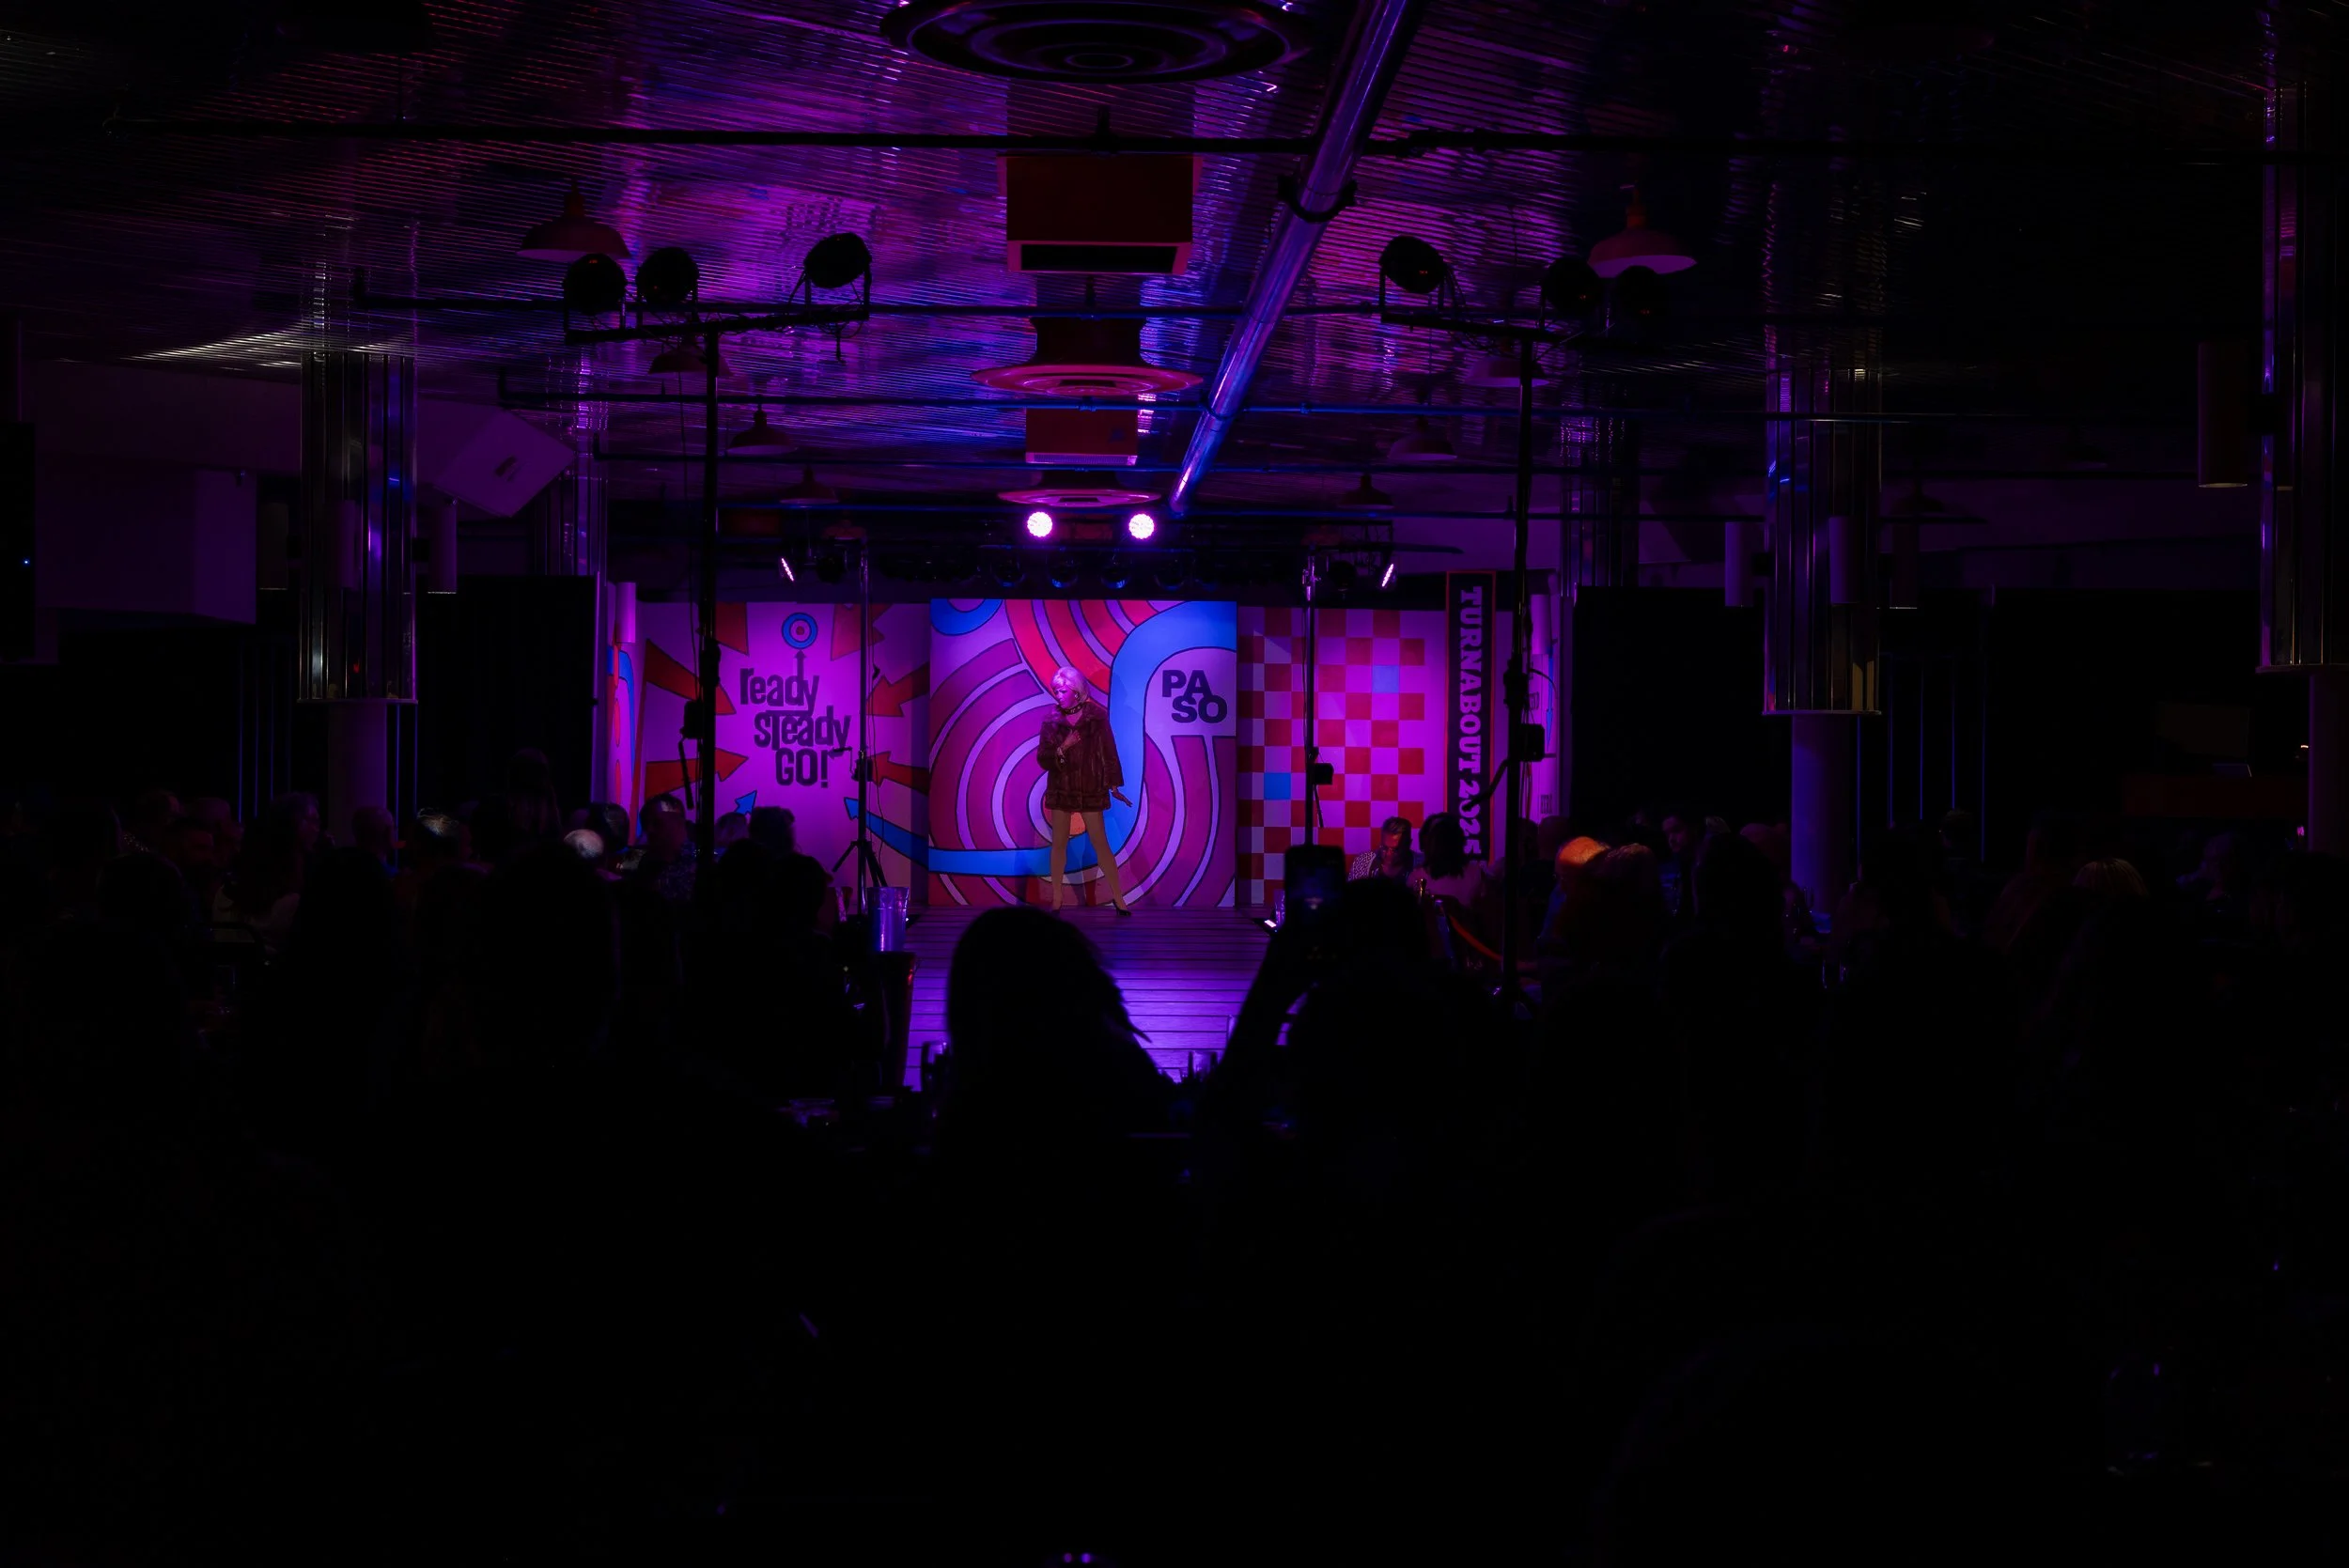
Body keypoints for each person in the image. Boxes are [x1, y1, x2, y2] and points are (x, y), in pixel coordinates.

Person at [1037, 664, 1134, 914]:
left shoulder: (1096, 717)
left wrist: (1114, 784)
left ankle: (1118, 898)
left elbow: (1109, 752)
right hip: (1062, 788)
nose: (1057, 695)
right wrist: (1063, 747)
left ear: (1076, 691)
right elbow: (1043, 758)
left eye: (1061, 690)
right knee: (1058, 843)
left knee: (1100, 843)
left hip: (1091, 787)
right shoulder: (1051, 720)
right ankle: (1057, 898)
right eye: (1055, 691)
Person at [1348, 815, 1421, 882]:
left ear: (1408, 844)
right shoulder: (1363, 862)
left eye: (1395, 850)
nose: (1388, 854)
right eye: (1384, 848)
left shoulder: (1421, 865)